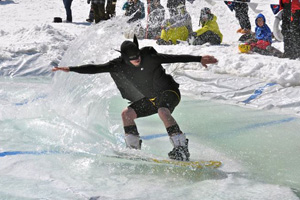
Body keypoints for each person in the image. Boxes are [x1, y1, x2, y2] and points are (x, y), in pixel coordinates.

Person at [52, 35, 218, 161]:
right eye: (132, 58)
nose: (136, 59)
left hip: (170, 92)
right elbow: (96, 68)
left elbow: (173, 57)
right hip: (151, 99)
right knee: (127, 114)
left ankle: (181, 148)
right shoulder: (118, 64)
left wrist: (198, 58)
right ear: (125, 58)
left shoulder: (149, 56)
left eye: (137, 55)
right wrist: (71, 69)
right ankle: (132, 150)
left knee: (162, 110)